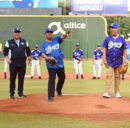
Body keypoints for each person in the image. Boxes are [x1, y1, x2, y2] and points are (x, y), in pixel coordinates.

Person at [40, 28, 71, 101]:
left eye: (51, 32)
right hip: (51, 64)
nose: (49, 34)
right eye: (48, 32)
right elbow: (42, 53)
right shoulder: (44, 44)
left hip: (60, 63)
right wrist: (47, 58)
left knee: (62, 78)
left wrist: (66, 34)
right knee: (52, 78)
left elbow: (62, 37)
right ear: (45, 34)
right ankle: (50, 96)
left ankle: (58, 89)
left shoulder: (56, 39)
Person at [3, 27, 31, 99]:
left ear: (20, 33)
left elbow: (28, 51)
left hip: (22, 63)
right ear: (13, 33)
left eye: (18, 32)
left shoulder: (25, 41)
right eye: (16, 32)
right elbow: (5, 51)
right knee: (12, 79)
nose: (17, 33)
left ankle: (20, 93)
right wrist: (7, 58)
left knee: (21, 78)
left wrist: (29, 58)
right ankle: (12, 94)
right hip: (13, 63)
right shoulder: (9, 42)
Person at [102, 23, 127, 98]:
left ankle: (117, 92)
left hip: (119, 61)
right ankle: (107, 92)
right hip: (109, 60)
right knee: (108, 76)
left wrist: (125, 60)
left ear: (117, 29)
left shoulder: (122, 39)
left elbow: (125, 50)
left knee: (117, 77)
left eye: (113, 28)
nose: (112, 29)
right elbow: (104, 49)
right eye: (111, 28)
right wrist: (104, 59)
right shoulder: (107, 39)